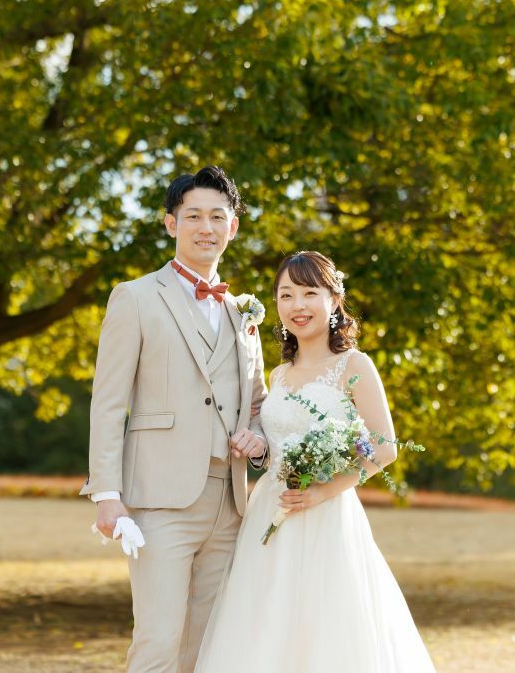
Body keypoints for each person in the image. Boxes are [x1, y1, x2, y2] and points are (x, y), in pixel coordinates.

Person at [194, 250, 437, 672]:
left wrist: (324, 491)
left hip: (327, 516)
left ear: (333, 300)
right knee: (265, 625)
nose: (298, 305)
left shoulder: (354, 365)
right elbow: (277, 442)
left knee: (327, 628)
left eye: (310, 293)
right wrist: (257, 444)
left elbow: (384, 448)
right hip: (270, 512)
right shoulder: (278, 374)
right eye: (286, 295)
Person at [80, 165, 269, 673]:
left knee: (208, 648)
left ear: (233, 227)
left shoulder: (244, 312)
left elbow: (258, 404)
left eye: (217, 217)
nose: (206, 227)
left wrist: (259, 441)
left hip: (230, 502)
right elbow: (108, 403)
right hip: (159, 500)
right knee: (159, 643)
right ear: (171, 224)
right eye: (193, 216)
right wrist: (106, 494)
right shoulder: (135, 297)